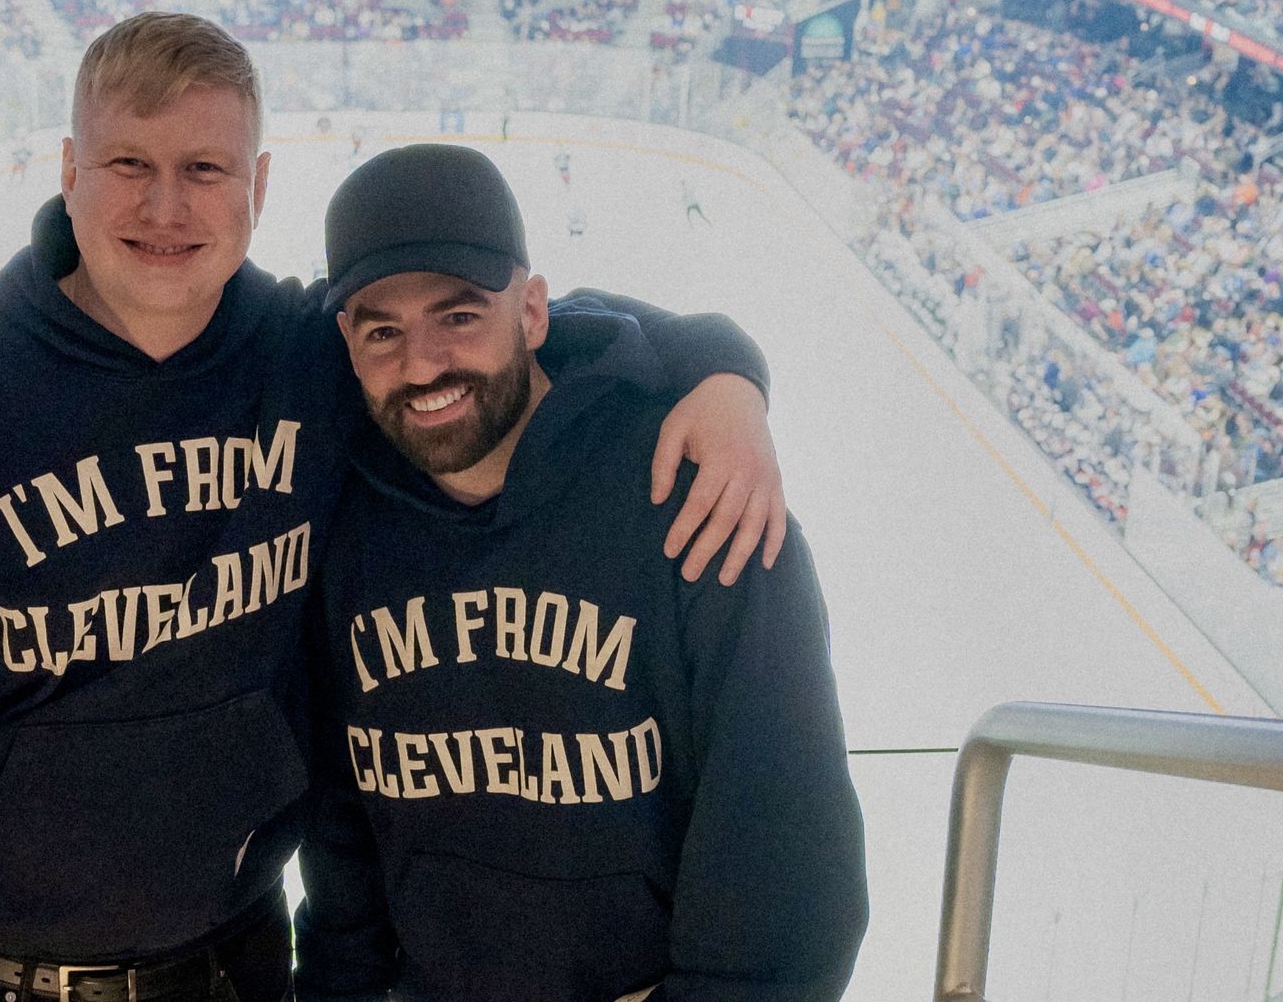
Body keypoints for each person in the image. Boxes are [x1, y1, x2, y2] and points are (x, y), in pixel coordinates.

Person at [0, 12, 787, 1002]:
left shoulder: (311, 355)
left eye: (204, 170)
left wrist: (721, 367)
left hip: (244, 961)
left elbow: (508, 334)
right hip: (3, 980)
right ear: (70, 174)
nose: (166, 208)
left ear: (255, 188)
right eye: (130, 164)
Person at [295, 145, 868, 1002]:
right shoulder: (340, 524)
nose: (422, 365)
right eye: (385, 330)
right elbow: (342, 835)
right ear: (347, 341)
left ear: (532, 311)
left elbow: (785, 848)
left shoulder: (700, 498)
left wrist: (725, 368)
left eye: (459, 318)